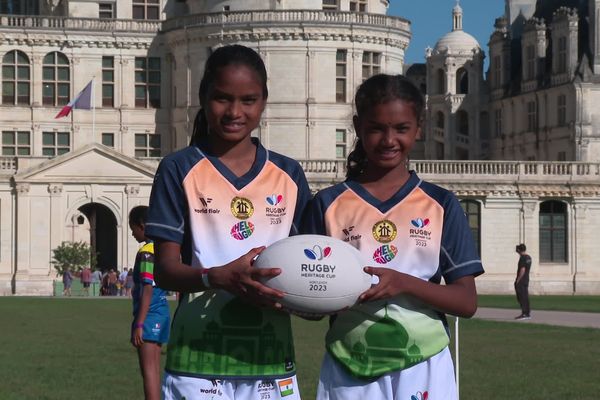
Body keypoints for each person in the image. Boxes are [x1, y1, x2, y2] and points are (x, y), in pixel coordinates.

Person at [302, 74, 484, 400]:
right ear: (358, 127)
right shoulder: (327, 205)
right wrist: (302, 295)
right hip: (350, 362)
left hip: (424, 361)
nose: (389, 140)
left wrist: (404, 283)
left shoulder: (440, 204)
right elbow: (310, 301)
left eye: (401, 128)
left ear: (419, 128)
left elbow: (467, 302)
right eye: (376, 128)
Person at [145, 44, 310, 400]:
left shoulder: (289, 174)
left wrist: (318, 298)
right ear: (204, 98)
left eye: (248, 100)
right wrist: (216, 276)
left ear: (264, 101)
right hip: (196, 363)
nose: (235, 112)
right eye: (222, 98)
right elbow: (165, 270)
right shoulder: (178, 169)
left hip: (272, 363)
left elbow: (305, 269)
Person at [129, 205, 170, 400]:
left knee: (148, 372)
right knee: (155, 369)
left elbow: (147, 287)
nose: (132, 233)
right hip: (162, 313)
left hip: (149, 314)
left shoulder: (147, 251)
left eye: (133, 228)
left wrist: (139, 323)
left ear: (143, 226)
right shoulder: (163, 249)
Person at [514, 243, 532, 320]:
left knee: (521, 297)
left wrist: (518, 280)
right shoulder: (529, 257)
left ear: (519, 250)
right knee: (525, 296)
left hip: (522, 280)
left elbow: (522, 270)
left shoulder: (523, 258)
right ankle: (527, 313)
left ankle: (524, 313)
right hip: (526, 279)